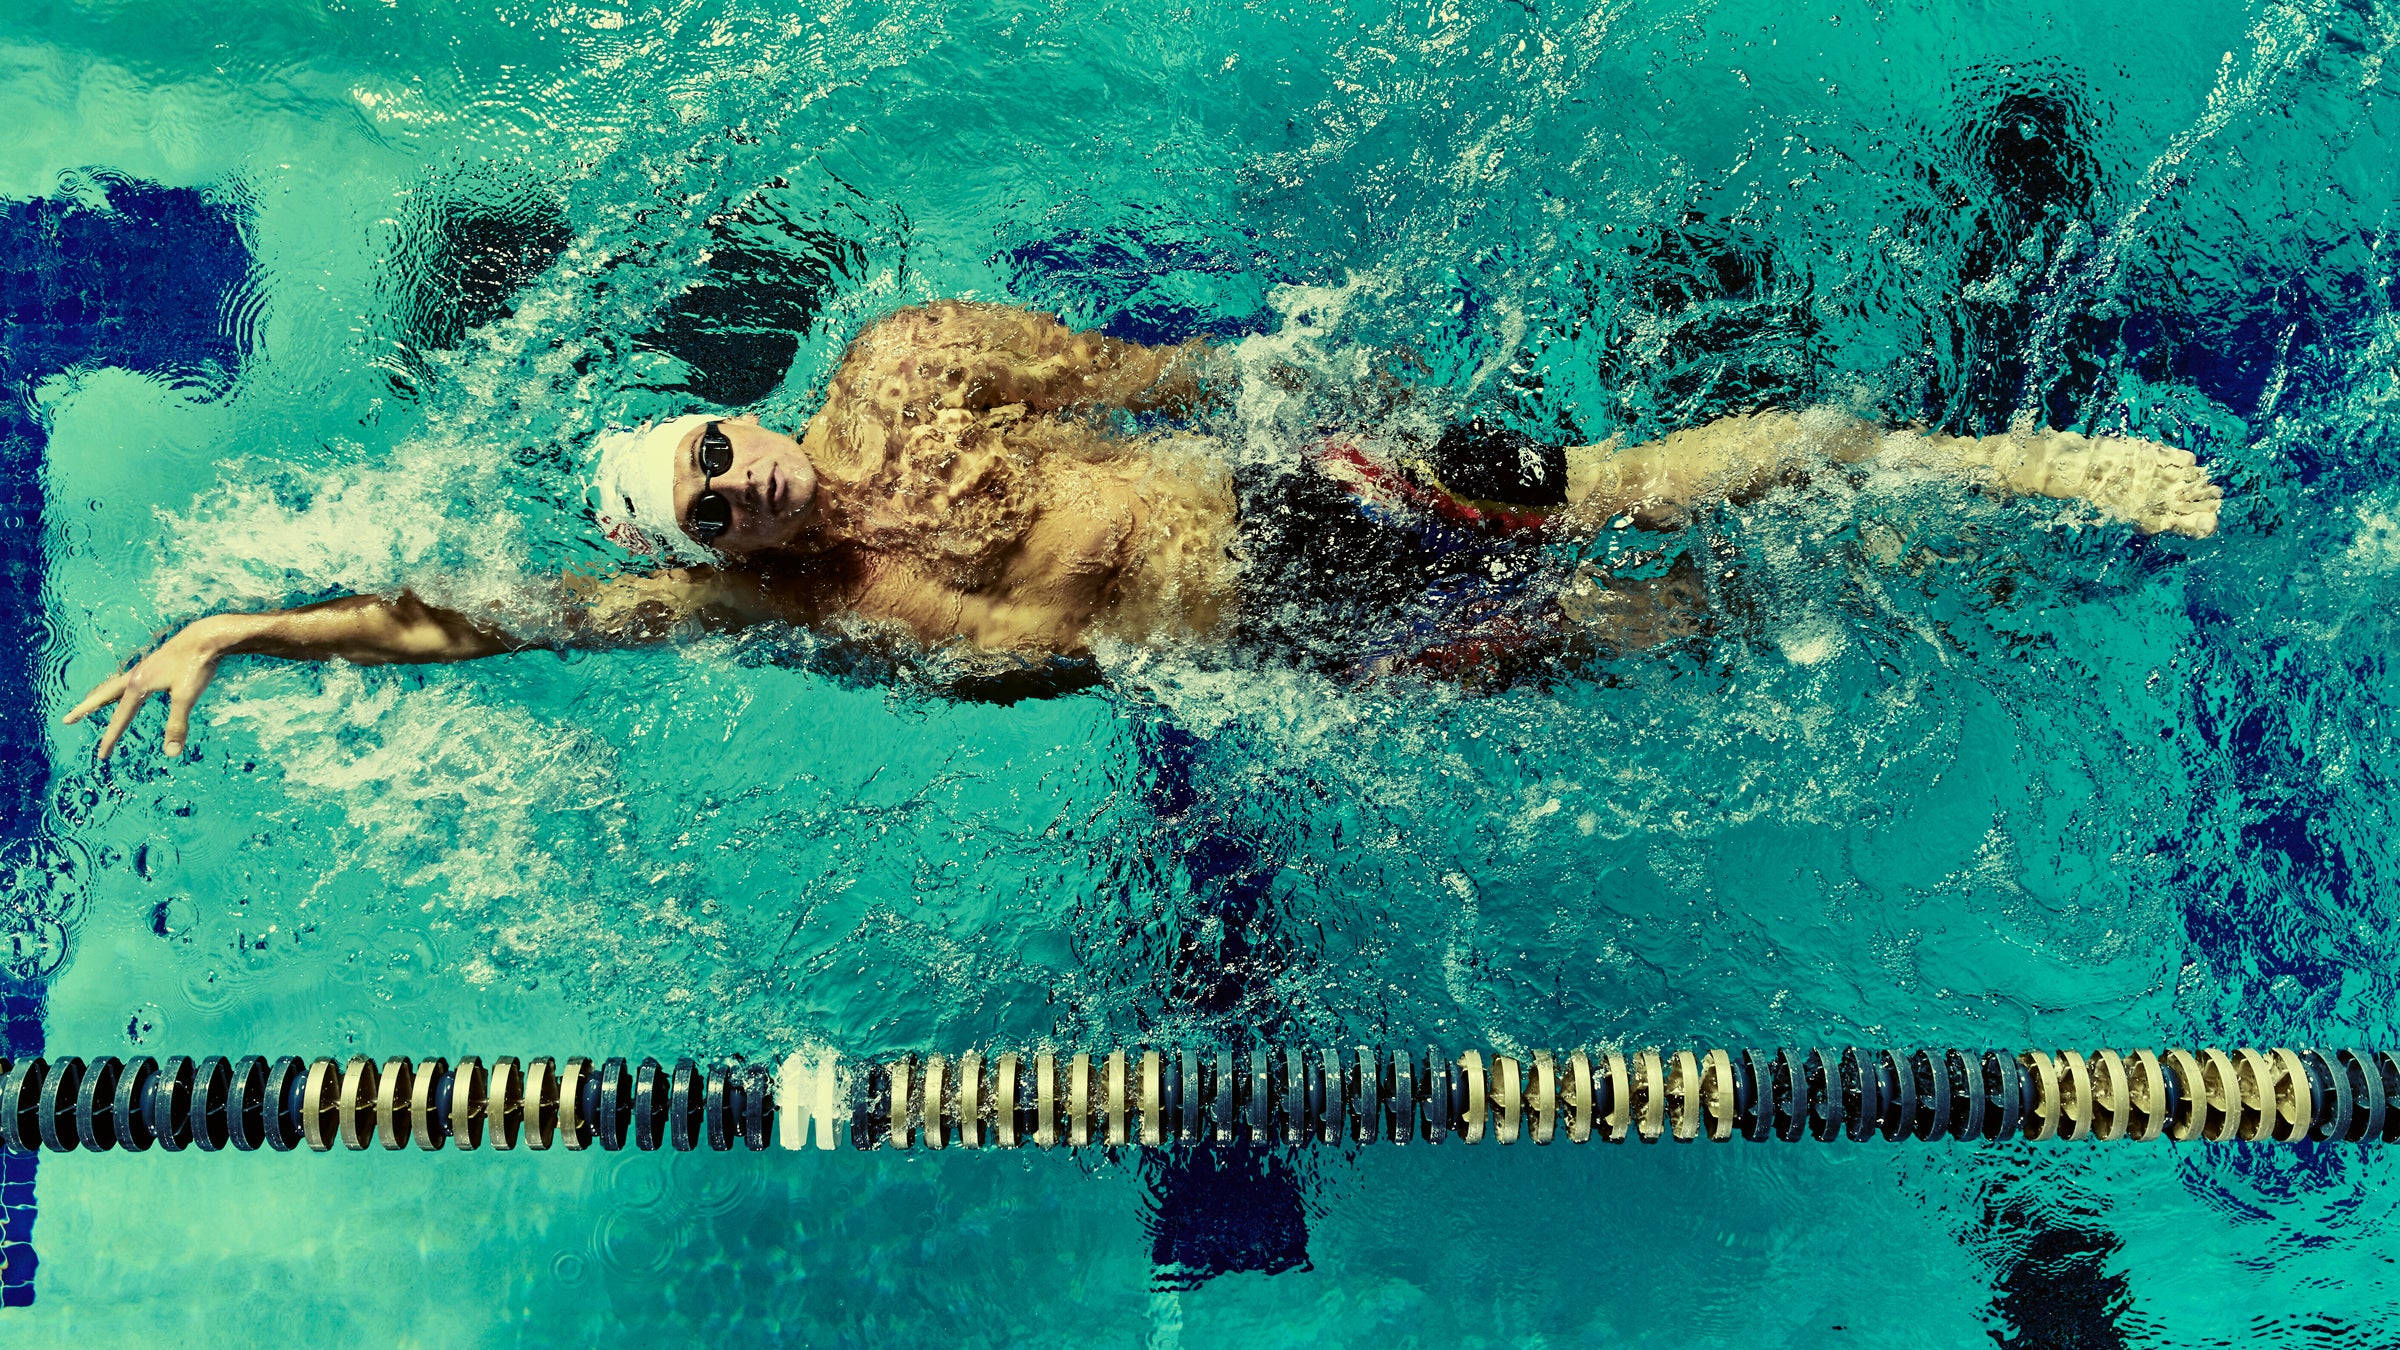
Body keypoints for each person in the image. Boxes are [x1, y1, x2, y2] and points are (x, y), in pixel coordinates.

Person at [65, 301, 2222, 759]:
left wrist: (1370, 417)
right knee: (1665, 633)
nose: (743, 480)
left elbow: (1174, 378)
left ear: (739, 409)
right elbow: (490, 620)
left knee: (1637, 485)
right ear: (712, 559)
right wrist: (246, 633)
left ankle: (2000, 465)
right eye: (711, 509)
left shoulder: (909, 368)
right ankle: (1991, 573)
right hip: (1293, 655)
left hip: (1313, 505)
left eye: (718, 442)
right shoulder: (783, 609)